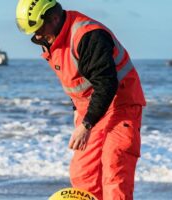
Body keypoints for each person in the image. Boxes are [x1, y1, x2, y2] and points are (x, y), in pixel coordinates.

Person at [15, 0, 146, 199]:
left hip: (121, 105)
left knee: (114, 171)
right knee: (83, 174)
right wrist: (77, 110)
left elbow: (106, 83)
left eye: (40, 29)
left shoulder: (89, 36)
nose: (37, 35)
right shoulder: (50, 40)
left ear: (54, 18)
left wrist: (86, 125)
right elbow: (77, 80)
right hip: (92, 109)